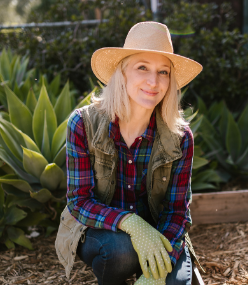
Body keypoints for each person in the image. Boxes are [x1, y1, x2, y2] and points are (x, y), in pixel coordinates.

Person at [55, 21, 205, 285]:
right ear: (122, 73)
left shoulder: (180, 138)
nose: (154, 81)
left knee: (179, 282)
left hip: (160, 230)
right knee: (120, 252)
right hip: (101, 230)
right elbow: (79, 201)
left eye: (163, 72)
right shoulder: (83, 124)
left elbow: (178, 211)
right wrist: (131, 223)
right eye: (142, 68)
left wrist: (158, 270)